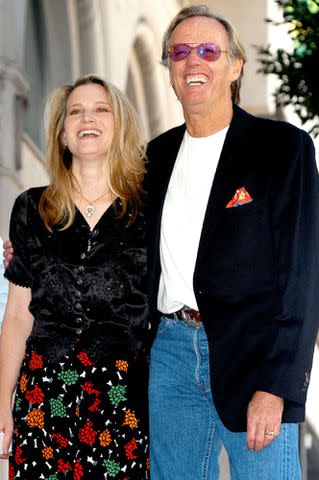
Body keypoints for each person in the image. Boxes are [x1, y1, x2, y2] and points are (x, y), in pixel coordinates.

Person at [145, 5, 319, 480]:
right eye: (180, 52)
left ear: (235, 65)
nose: (193, 61)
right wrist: (36, 249)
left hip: (255, 358)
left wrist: (278, 384)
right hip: (170, 356)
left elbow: (301, 277)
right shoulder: (153, 158)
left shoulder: (284, 148)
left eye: (208, 50)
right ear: (170, 71)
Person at [0, 75, 150, 479]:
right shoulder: (30, 208)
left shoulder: (147, 212)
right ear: (63, 134)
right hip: (42, 394)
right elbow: (17, 314)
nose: (88, 118)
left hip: (122, 398)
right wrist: (1, 401)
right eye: (76, 111)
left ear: (118, 127)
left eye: (102, 109)